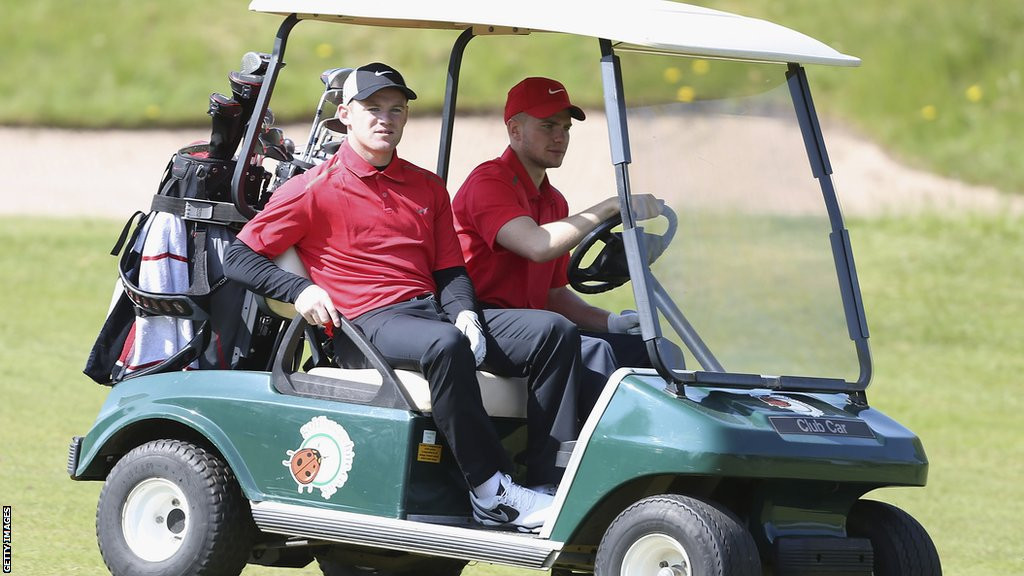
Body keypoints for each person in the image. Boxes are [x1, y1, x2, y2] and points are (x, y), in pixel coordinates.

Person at [223, 63, 584, 532]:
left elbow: (450, 270)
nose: (385, 120)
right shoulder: (314, 188)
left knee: (554, 331)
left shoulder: (427, 187)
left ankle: (544, 486)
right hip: (363, 325)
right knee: (444, 344)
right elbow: (239, 257)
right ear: (346, 115)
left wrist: (466, 314)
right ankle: (491, 491)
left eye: (396, 110)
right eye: (372, 109)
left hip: (427, 314)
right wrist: (302, 289)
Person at [452, 76, 667, 416]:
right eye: (548, 126)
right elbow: (537, 245)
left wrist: (611, 322)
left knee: (649, 350)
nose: (559, 137)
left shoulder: (554, 202)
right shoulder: (489, 183)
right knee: (591, 352)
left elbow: (552, 295)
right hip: (477, 321)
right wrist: (611, 207)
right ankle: (572, 460)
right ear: (515, 130)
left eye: (565, 128)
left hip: (535, 328)